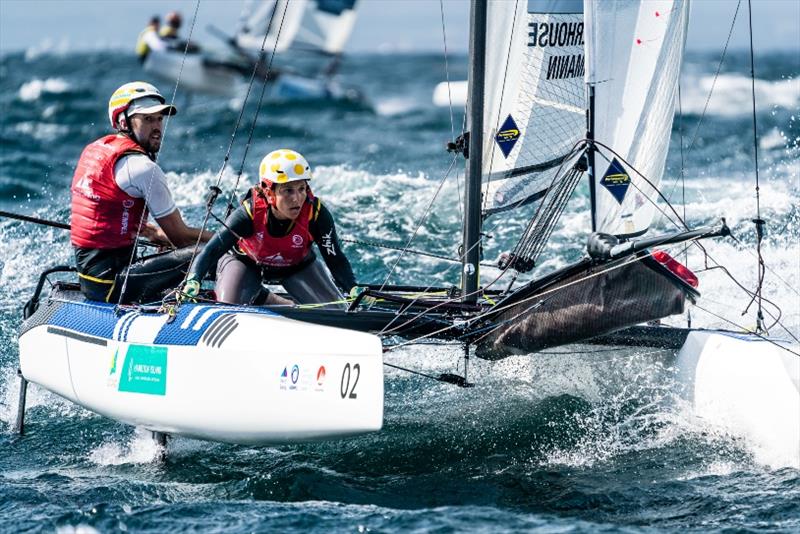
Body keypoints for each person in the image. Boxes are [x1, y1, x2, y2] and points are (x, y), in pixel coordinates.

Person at [70, 81, 212, 304]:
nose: (157, 127)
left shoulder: (97, 150)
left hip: (91, 280)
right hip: (113, 286)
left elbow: (109, 215)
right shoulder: (142, 168)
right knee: (204, 253)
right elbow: (181, 237)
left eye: (159, 119)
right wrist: (230, 240)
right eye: (147, 119)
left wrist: (153, 232)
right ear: (123, 121)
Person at [181, 149, 364, 308]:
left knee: (337, 313)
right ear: (269, 193)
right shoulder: (248, 214)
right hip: (247, 264)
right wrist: (193, 280)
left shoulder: (316, 213)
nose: (297, 198)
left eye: (302, 189)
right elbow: (212, 251)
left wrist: (352, 288)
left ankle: (263, 297)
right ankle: (258, 294)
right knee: (227, 310)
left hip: (297, 267)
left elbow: (335, 259)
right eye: (288, 190)